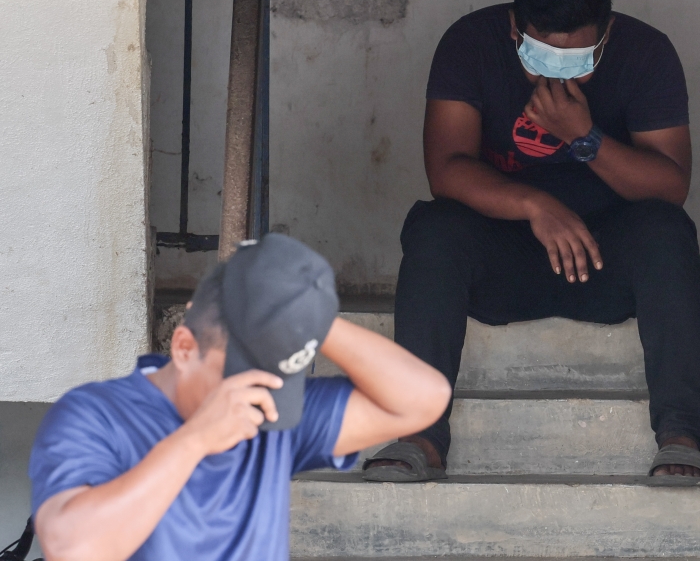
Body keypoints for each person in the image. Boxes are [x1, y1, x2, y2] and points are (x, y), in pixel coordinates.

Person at [362, 0, 700, 486]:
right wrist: (535, 205)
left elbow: (671, 187)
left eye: (575, 59)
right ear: (514, 28)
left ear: (606, 34)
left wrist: (584, 137)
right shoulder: (472, 42)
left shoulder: (645, 52)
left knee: (668, 234)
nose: (554, 70)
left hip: (604, 259)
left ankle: (681, 434)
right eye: (541, 55)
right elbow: (446, 169)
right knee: (435, 227)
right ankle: (419, 436)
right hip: (505, 257)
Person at [29, 234, 451, 560]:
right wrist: (194, 440)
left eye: (271, 381)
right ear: (183, 347)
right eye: (234, 379)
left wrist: (307, 318)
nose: (249, 403)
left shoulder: (264, 405)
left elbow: (423, 399)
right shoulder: (95, 414)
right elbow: (72, 549)